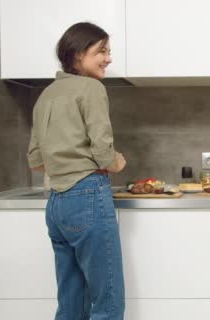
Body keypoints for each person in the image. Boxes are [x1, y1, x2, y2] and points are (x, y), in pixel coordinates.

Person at [27, 22, 127, 320]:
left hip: (57, 203)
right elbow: (102, 151)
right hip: (88, 197)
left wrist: (64, 162)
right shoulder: (91, 88)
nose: (108, 58)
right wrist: (117, 161)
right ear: (77, 55)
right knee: (107, 303)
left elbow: (35, 158)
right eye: (101, 51)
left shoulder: (46, 95)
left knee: (70, 303)